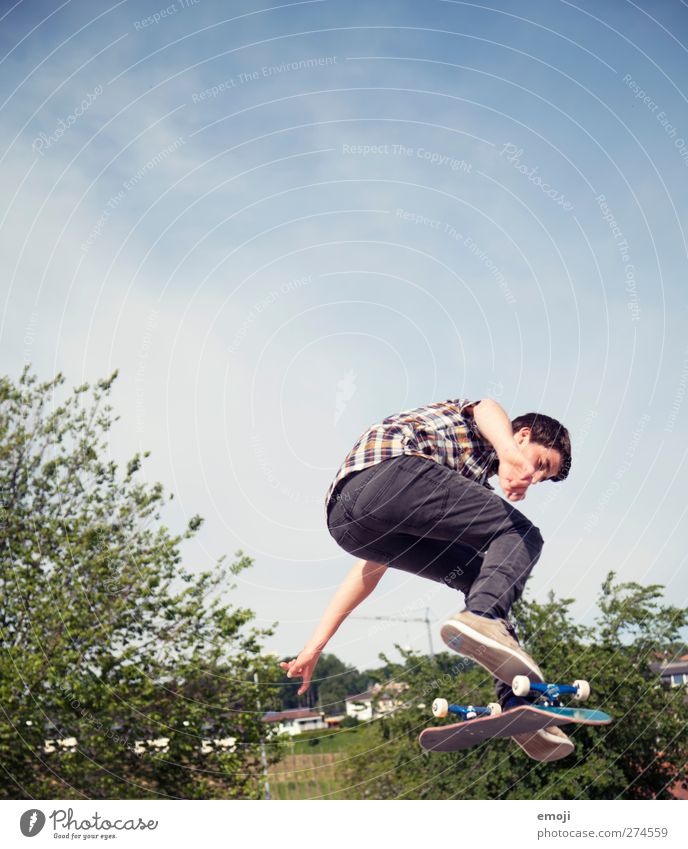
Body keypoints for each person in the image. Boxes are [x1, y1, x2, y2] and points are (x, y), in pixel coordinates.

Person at [281, 397, 573, 761]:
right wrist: (510, 454)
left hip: (348, 523)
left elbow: (368, 570)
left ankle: (516, 700)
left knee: (481, 573)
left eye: (544, 477)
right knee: (521, 535)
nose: (537, 476)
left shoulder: (461, 486)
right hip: (390, 472)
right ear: (523, 435)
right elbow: (485, 406)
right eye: (541, 464)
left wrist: (315, 645)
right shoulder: (484, 431)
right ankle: (482, 619)